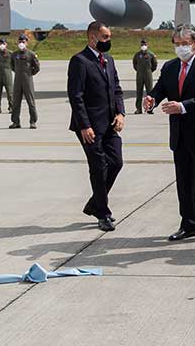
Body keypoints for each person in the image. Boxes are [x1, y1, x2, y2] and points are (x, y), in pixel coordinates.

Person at [144, 26, 195, 243]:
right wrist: (151, 98)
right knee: (185, 183)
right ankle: (188, 225)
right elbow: (160, 89)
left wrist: (183, 106)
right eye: (177, 44)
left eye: (185, 43)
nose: (181, 48)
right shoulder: (170, 67)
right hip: (179, 135)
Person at [67, 22, 127, 232]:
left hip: (110, 124)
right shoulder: (80, 61)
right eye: (104, 37)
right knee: (98, 167)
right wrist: (84, 125)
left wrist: (121, 113)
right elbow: (76, 96)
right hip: (90, 127)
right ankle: (103, 213)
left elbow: (117, 89)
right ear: (92, 37)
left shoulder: (108, 60)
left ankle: (94, 203)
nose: (108, 41)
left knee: (116, 162)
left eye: (109, 37)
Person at [10, 34, 40, 129]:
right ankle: (15, 122)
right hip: (17, 81)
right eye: (20, 42)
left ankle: (33, 121)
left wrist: (30, 74)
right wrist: (19, 73)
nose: (21, 43)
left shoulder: (31, 54)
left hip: (28, 81)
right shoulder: (14, 54)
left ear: (26, 43)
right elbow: (12, 66)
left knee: (30, 102)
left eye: (23, 42)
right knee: (16, 102)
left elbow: (37, 67)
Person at [132, 39, 158, 114]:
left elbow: (154, 65)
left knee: (150, 92)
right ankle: (138, 109)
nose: (143, 45)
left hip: (148, 74)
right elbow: (134, 64)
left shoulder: (151, 54)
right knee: (139, 92)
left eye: (145, 44)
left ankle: (150, 109)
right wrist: (139, 70)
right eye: (142, 44)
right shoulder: (137, 55)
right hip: (139, 75)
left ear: (147, 45)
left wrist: (149, 71)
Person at [0, 38, 14, 114]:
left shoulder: (11, 53)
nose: (2, 45)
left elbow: (14, 64)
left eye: (3, 43)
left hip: (7, 75)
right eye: (1, 43)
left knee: (10, 92)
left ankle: (11, 107)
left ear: (6, 44)